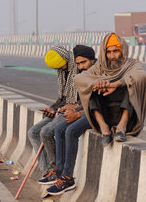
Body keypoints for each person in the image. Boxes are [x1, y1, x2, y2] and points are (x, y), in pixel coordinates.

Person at [74, 33, 146, 147]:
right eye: (108, 52)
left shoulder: (132, 64)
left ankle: (121, 128)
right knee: (92, 90)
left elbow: (141, 75)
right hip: (104, 115)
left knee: (131, 86)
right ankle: (105, 129)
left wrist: (117, 84)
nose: (112, 56)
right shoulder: (99, 67)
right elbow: (79, 78)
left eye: (115, 51)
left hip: (126, 117)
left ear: (123, 50)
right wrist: (97, 83)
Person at [45, 45, 96, 195]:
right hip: (88, 110)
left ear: (93, 60)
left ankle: (68, 177)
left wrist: (77, 114)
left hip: (101, 114)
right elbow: (83, 102)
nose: (81, 67)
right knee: (59, 129)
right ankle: (59, 172)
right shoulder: (81, 75)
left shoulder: (99, 74)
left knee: (70, 131)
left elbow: (98, 106)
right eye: (78, 64)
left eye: (84, 63)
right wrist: (74, 110)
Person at [27, 45, 78, 185]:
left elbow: (80, 101)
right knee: (32, 132)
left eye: (61, 67)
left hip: (73, 111)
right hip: (61, 109)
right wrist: (52, 109)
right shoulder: (62, 72)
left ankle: (56, 170)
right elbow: (62, 98)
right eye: (57, 69)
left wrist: (64, 109)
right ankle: (47, 171)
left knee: (46, 131)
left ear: (67, 61)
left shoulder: (78, 69)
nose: (59, 70)